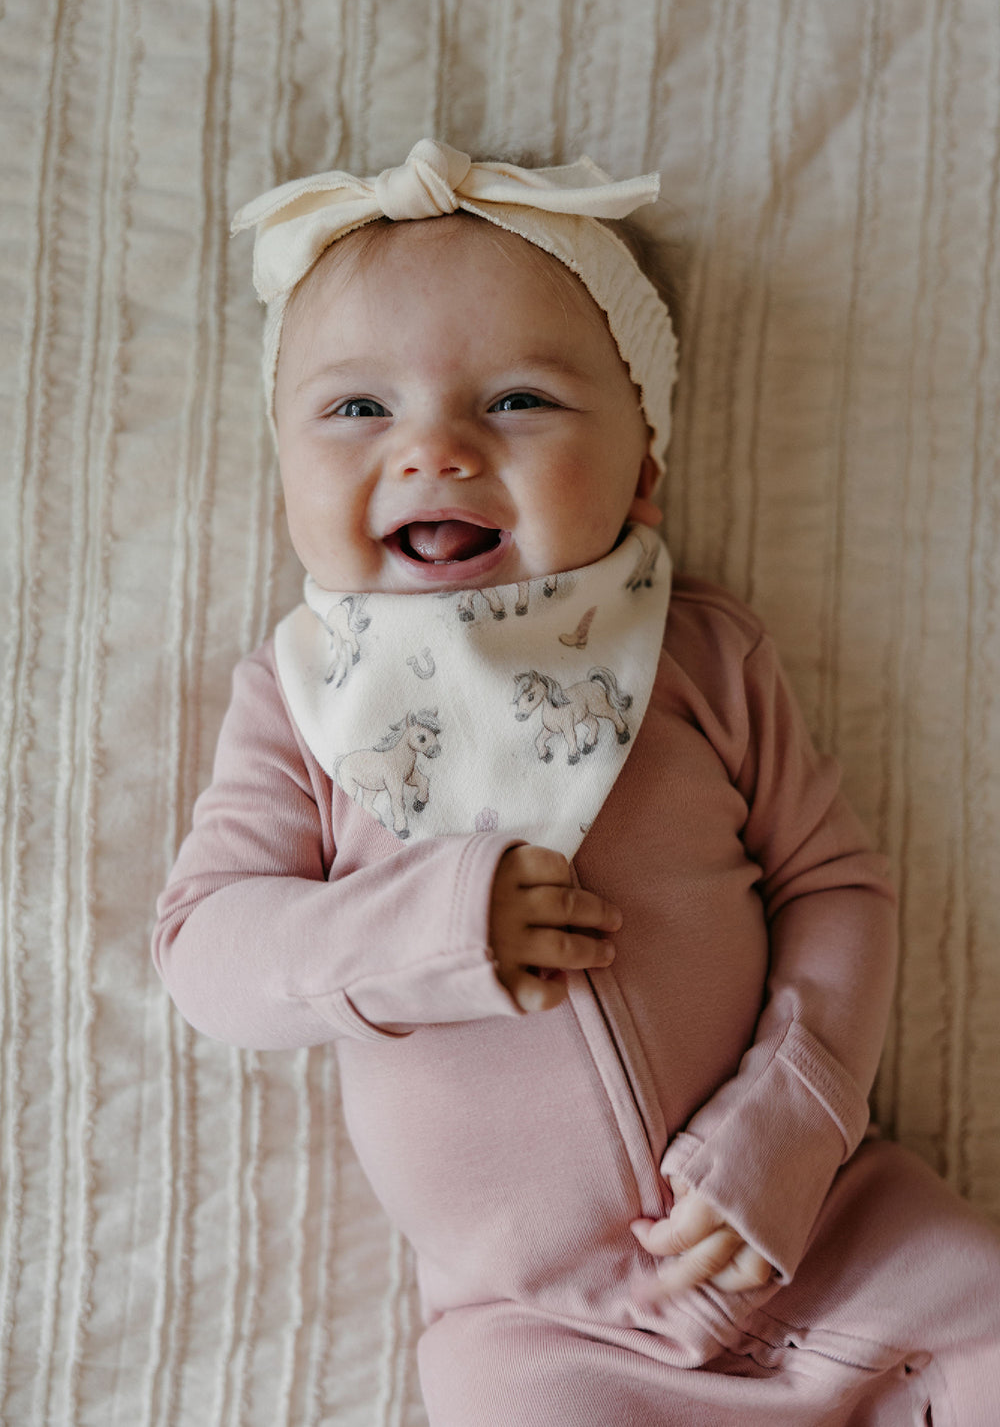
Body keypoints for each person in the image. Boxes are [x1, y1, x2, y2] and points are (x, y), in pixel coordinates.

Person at [154, 140, 1000, 1425]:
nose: (431, 448)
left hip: (822, 1223)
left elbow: (838, 888)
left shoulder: (699, 651)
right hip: (535, 1330)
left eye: (515, 403)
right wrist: (425, 930)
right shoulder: (302, 702)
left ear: (644, 468)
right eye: (356, 409)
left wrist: (793, 1116)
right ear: (284, 479)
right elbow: (205, 950)